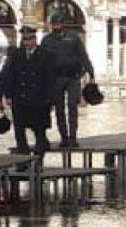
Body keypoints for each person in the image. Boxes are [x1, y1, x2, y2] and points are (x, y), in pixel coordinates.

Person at [0, 24, 54, 156]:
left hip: (39, 100)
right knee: (19, 132)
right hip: (20, 98)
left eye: (30, 39)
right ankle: (23, 161)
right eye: (25, 39)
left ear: (35, 39)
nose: (27, 42)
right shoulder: (16, 55)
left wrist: (50, 100)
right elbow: (6, 76)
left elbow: (50, 79)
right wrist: (2, 97)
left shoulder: (45, 55)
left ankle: (38, 161)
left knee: (39, 131)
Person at [40, 16, 95, 150]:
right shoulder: (46, 40)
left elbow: (83, 55)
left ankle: (73, 137)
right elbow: (41, 59)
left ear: (63, 24)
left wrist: (91, 72)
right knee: (59, 109)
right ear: (51, 25)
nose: (57, 26)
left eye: (59, 23)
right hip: (56, 79)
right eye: (54, 24)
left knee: (72, 106)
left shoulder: (73, 38)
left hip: (73, 77)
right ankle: (64, 137)